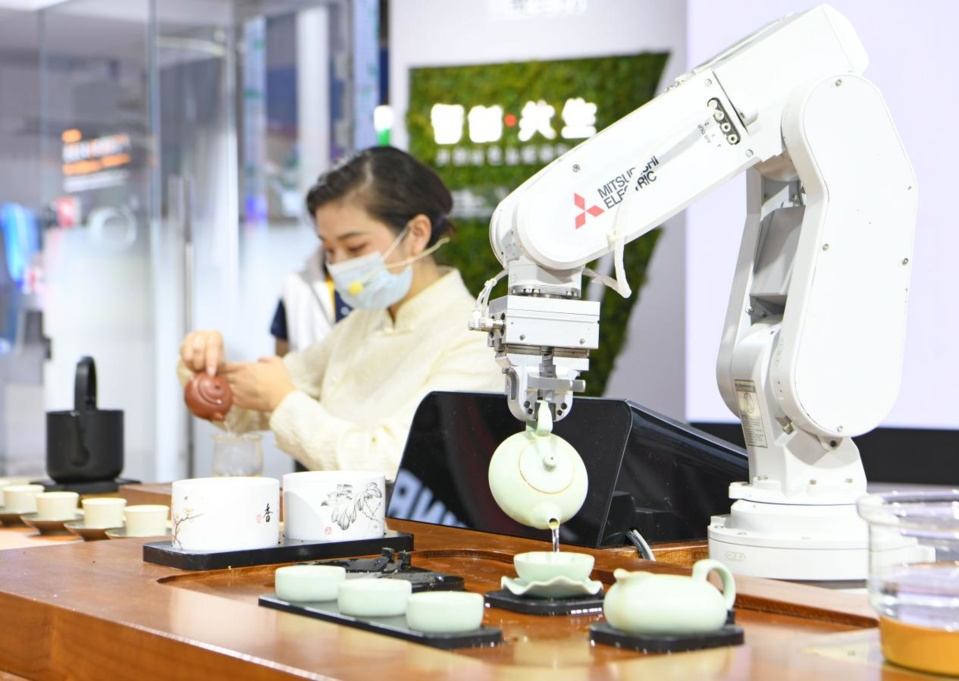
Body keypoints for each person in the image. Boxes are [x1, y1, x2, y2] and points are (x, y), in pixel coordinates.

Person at [178, 146, 504, 480]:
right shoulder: (366, 321)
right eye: (329, 250)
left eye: (355, 247)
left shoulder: (474, 340)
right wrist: (205, 370)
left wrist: (283, 400)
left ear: (417, 234)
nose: (339, 266)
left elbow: (394, 466)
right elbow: (250, 401)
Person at [269, 245, 350, 357]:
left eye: (355, 247)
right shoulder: (293, 285)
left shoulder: (374, 286)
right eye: (330, 248)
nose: (337, 260)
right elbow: (282, 358)